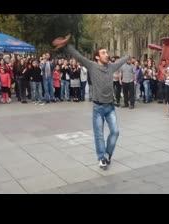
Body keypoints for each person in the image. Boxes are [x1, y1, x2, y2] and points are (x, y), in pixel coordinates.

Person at [53, 34, 129, 170]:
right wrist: (66, 46)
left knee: (115, 132)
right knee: (99, 135)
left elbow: (121, 61)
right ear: (97, 57)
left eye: (107, 52)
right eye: (103, 53)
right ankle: (101, 158)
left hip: (110, 107)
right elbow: (78, 56)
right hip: (98, 108)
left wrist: (128, 55)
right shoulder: (92, 66)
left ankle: (107, 154)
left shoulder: (111, 67)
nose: (107, 54)